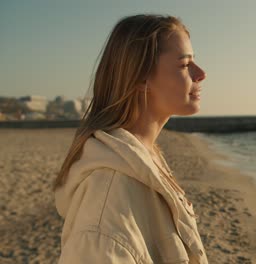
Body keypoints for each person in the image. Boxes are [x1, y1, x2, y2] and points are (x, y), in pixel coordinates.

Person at [53, 14, 208, 263]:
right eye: (184, 64)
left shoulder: (145, 159)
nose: (201, 73)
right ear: (140, 78)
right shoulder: (108, 203)